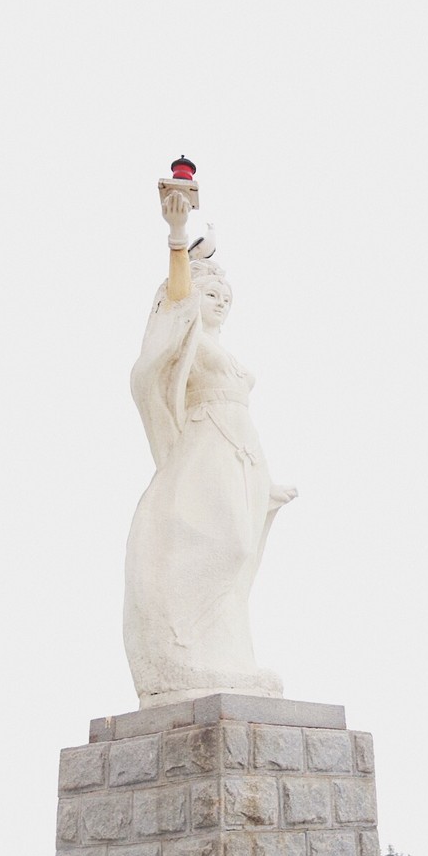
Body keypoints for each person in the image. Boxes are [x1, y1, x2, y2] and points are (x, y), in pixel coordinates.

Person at [123, 188, 296, 708]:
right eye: (211, 294)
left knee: (242, 554)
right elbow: (178, 301)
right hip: (204, 446)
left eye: (225, 296)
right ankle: (179, 643)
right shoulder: (189, 339)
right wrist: (178, 238)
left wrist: (266, 483)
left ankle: (226, 659)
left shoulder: (227, 352)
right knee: (226, 545)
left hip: (238, 452)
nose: (220, 301)